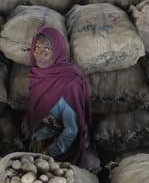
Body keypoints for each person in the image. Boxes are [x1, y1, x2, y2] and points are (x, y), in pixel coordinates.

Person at [26, 26, 98, 170]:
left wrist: (49, 153)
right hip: (38, 143)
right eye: (37, 48)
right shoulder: (38, 75)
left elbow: (71, 130)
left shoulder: (68, 84)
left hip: (59, 153)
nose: (40, 54)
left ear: (58, 51)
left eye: (47, 49)